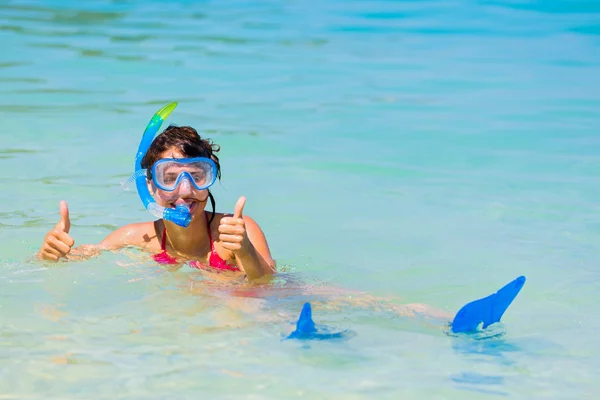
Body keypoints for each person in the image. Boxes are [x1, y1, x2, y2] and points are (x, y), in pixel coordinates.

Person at [37, 120, 277, 282]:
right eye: (169, 178)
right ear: (150, 186)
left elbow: (268, 286)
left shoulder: (236, 231)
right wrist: (48, 254)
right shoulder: (134, 238)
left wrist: (245, 252)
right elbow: (73, 260)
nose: (185, 190)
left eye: (197, 176)